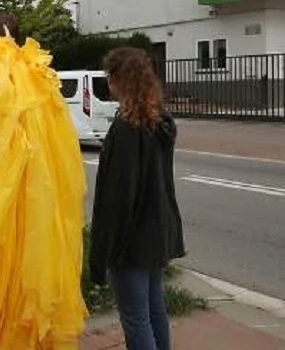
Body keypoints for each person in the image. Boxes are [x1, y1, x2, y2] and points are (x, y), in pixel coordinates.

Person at [89, 47, 185, 350]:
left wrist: (102, 253)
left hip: (131, 240)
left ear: (120, 80)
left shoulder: (126, 129)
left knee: (136, 318)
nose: (108, 84)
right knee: (154, 308)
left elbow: (118, 198)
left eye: (110, 77)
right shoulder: (159, 122)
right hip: (157, 231)